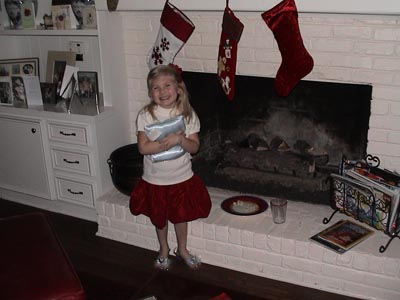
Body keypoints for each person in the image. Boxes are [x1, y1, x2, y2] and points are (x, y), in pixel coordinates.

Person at [129, 64, 211, 271]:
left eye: (167, 85)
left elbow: (194, 147)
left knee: (180, 216)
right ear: (150, 93)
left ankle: (182, 249)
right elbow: (142, 147)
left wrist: (180, 140)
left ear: (178, 88)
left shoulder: (188, 115)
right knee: (160, 218)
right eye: (156, 88)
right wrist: (166, 143)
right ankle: (163, 248)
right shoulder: (146, 115)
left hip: (181, 178)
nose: (162, 91)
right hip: (155, 180)